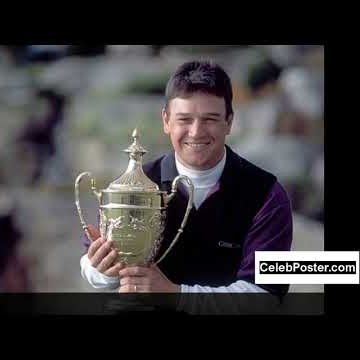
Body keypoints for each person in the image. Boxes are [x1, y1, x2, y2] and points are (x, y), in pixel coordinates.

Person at [79, 60, 292, 298]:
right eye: (184, 119)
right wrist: (101, 270)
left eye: (210, 119)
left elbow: (265, 295)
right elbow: (93, 268)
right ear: (166, 121)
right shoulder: (131, 187)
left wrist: (177, 294)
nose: (196, 132)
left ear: (229, 122)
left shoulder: (267, 194)